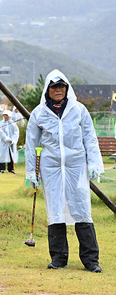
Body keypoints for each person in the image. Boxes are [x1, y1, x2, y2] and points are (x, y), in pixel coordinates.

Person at [25, 70, 104, 273]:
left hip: (76, 166)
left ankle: (91, 260)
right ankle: (59, 258)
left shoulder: (79, 110)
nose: (58, 90)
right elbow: (31, 144)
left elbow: (90, 138)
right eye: (54, 87)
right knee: (55, 209)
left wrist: (94, 163)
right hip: (50, 167)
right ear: (48, 90)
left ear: (67, 89)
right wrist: (31, 172)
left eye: (61, 86)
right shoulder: (38, 114)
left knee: (82, 208)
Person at [0, 110, 19, 174]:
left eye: (6, 115)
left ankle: (10, 168)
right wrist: (5, 138)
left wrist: (13, 140)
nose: (5, 117)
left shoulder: (13, 124)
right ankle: (1, 168)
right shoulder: (1, 123)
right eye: (4, 115)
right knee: (2, 155)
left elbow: (16, 132)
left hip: (11, 143)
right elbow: (0, 131)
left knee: (11, 155)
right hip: (3, 143)